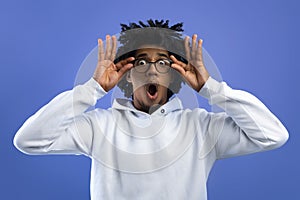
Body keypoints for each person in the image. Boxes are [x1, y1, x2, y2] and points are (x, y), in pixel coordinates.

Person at [14, 19, 289, 200]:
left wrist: (212, 89)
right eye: (141, 62)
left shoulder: (201, 127)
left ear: (174, 76)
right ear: (127, 74)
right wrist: (92, 89)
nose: (152, 71)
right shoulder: (100, 126)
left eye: (163, 64)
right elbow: (28, 140)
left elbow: (273, 135)